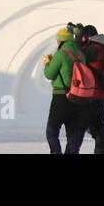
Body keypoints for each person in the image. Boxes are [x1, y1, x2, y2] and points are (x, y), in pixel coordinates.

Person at [69, 24, 104, 154]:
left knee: (80, 126)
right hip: (101, 95)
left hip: (93, 94)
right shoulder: (101, 47)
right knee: (98, 127)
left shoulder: (95, 49)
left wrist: (77, 38)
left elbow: (79, 56)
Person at [41, 24, 82, 153]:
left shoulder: (61, 53)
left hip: (61, 96)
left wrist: (47, 63)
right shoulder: (80, 53)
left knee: (52, 131)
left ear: (62, 40)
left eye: (58, 39)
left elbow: (49, 74)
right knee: (73, 132)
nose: (57, 41)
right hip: (78, 97)